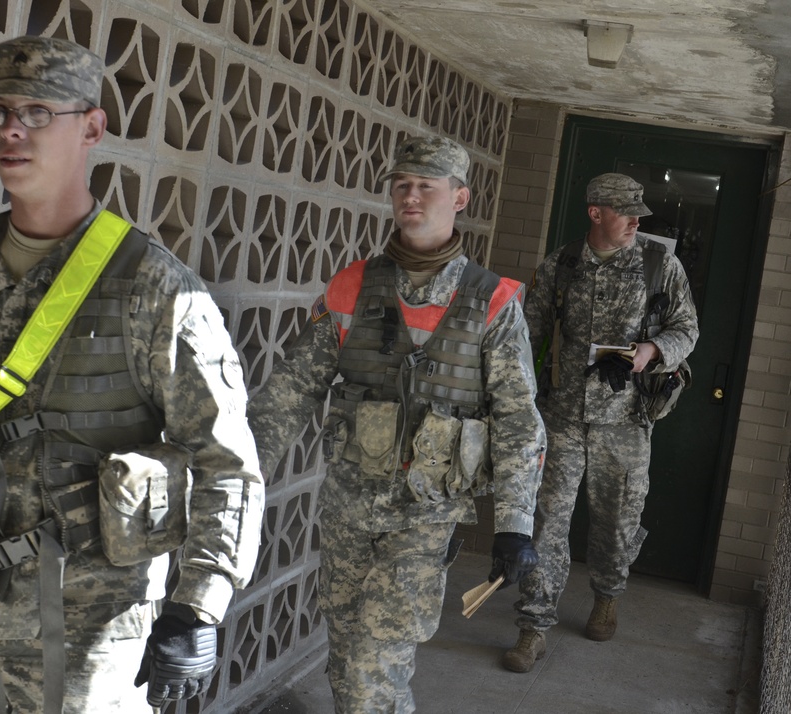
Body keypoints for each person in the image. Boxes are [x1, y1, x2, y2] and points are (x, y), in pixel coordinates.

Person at [0, 35, 264, 713]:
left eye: (39, 111)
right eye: (1, 111)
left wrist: (200, 608)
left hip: (92, 639)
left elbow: (224, 459)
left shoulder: (153, 286)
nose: (12, 128)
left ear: (92, 128)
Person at [248, 135, 546, 712]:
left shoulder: (494, 301)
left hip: (428, 515)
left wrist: (516, 523)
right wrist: (236, 482)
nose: (410, 196)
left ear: (459, 198)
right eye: (402, 185)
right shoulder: (351, 287)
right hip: (348, 507)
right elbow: (288, 396)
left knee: (372, 665)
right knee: (348, 658)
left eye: (426, 186)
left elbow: (518, 418)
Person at [503, 173, 699, 673]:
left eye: (639, 212)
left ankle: (608, 595)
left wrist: (650, 351)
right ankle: (533, 627)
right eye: (625, 210)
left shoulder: (659, 264)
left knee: (617, 522)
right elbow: (529, 332)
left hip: (627, 421)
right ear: (595, 213)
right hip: (564, 416)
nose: (636, 220)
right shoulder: (563, 264)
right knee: (547, 523)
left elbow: (687, 327)